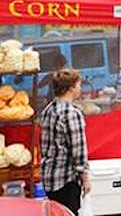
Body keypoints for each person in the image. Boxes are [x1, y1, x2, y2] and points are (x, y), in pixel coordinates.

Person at [39, 69, 90, 215]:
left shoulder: (48, 110)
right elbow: (78, 151)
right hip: (66, 180)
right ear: (71, 87)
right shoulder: (71, 114)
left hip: (49, 178)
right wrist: (85, 179)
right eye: (79, 85)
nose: (80, 89)